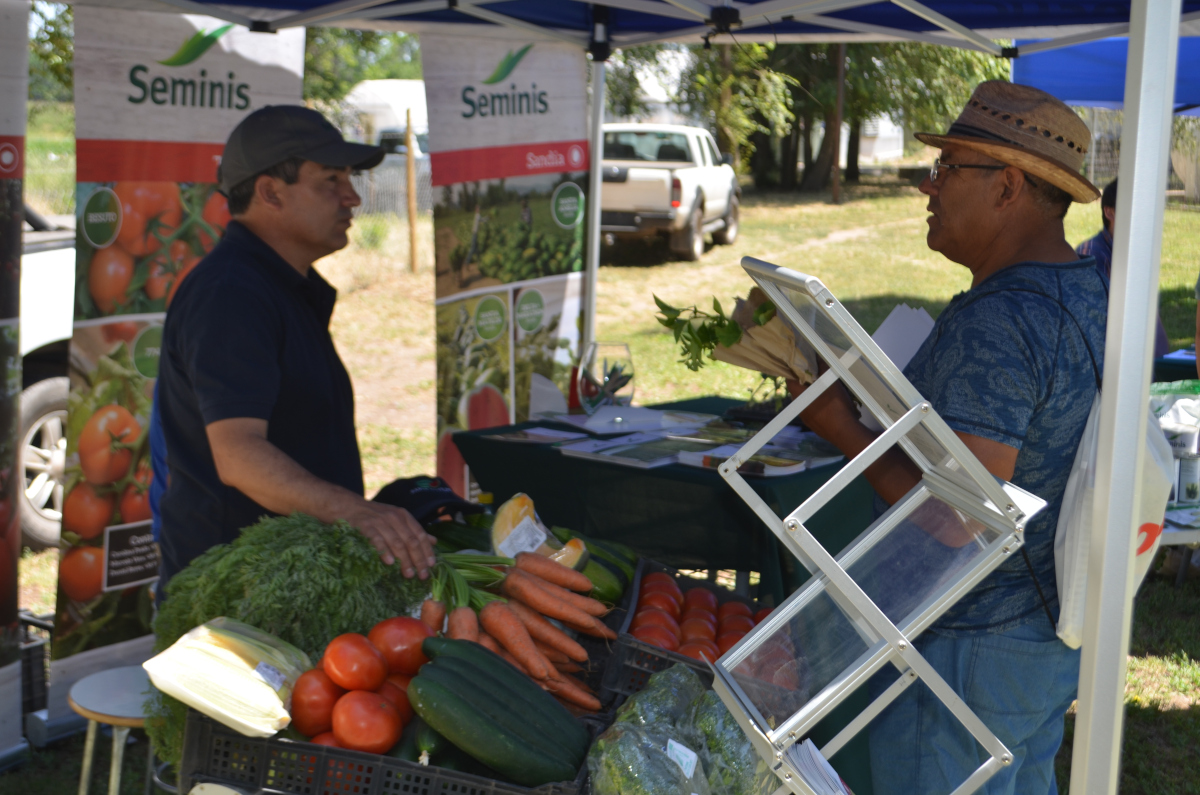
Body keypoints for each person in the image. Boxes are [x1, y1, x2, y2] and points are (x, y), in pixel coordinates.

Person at [793, 82, 1106, 794]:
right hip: (1040, 635)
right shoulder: (1086, 287)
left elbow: (959, 520)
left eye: (947, 168)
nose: (927, 188)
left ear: (1008, 187)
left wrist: (838, 423)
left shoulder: (1001, 320)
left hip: (967, 649)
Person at [156, 105, 436, 598]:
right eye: (330, 181)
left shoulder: (279, 285)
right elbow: (238, 455)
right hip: (235, 592)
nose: (353, 198)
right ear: (269, 192)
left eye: (349, 179)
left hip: (288, 578)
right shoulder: (231, 293)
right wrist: (358, 511)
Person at [1077, 178, 1169, 357]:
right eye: (1133, 206)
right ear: (1109, 213)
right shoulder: (1093, 254)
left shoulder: (1137, 252)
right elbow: (1091, 322)